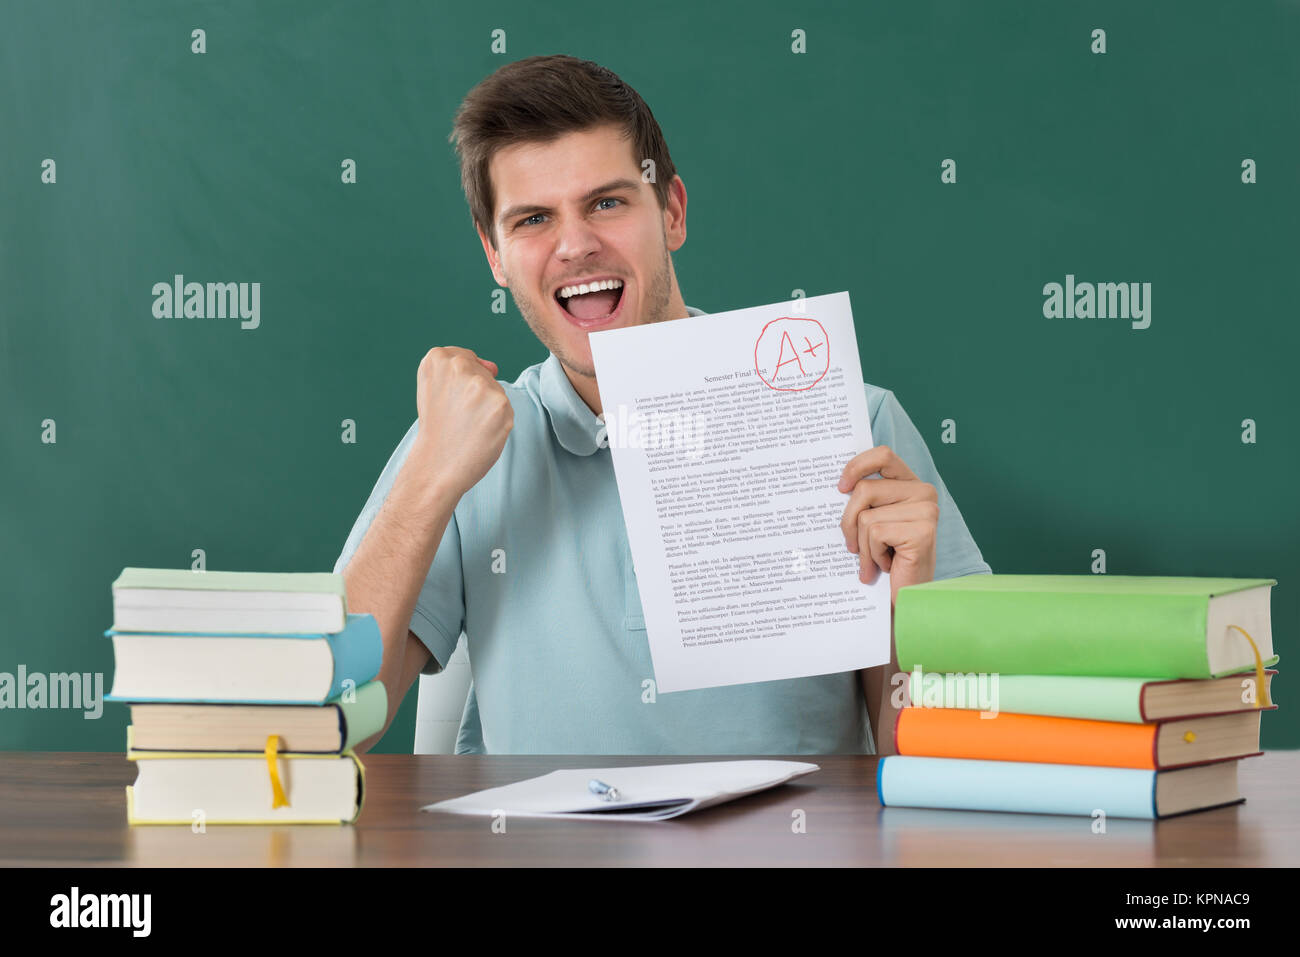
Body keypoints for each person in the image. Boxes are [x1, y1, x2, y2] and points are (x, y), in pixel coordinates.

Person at [334, 55, 991, 755]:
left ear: (671, 212)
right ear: (494, 255)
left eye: (607, 202)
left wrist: (908, 607)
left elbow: (935, 768)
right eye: (532, 219)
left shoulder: (858, 426)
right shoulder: (459, 445)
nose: (575, 245)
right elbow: (334, 718)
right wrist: (429, 480)